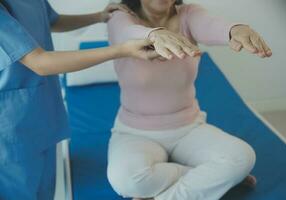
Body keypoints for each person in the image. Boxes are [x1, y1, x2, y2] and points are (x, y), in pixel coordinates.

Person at [106, 0, 272, 200]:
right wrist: (154, 34)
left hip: (188, 128)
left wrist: (236, 29)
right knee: (126, 181)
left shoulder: (189, 14)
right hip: (134, 132)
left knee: (242, 156)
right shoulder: (120, 17)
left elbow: (211, 24)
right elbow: (126, 33)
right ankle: (208, 177)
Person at [0, 1, 161, 200]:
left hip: (42, 116)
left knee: (44, 192)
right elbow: (40, 62)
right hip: (12, 131)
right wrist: (122, 50)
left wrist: (98, 17)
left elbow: (53, 21)